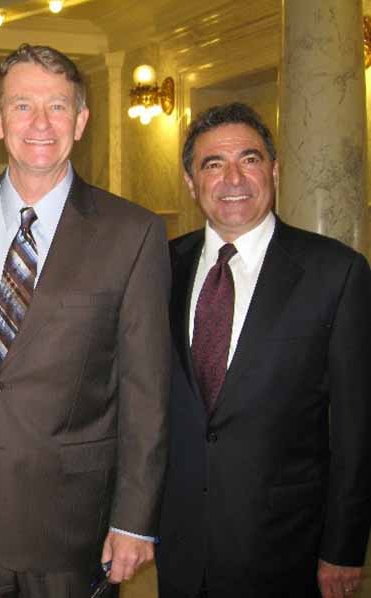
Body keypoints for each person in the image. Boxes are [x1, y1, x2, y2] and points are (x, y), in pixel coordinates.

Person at [0, 44, 171, 597]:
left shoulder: (131, 233)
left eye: (58, 106)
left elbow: (146, 389)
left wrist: (133, 519)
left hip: (70, 522)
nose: (40, 123)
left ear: (81, 121)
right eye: (21, 106)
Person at [155, 102, 371, 598]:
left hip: (284, 545)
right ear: (191, 182)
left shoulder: (334, 273)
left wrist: (342, 547)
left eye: (249, 160)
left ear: (273, 170)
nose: (233, 178)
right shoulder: (160, 267)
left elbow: (356, 426)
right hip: (181, 543)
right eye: (213, 164)